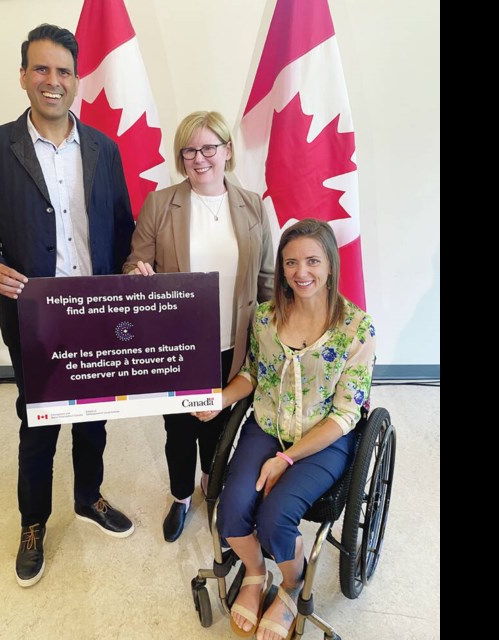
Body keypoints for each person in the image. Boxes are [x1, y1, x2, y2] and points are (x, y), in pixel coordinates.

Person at [0, 24, 137, 588]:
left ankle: (88, 497)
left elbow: (124, 227)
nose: (53, 81)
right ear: (23, 77)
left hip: (97, 311)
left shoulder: (106, 151)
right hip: (34, 316)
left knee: (93, 419)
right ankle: (33, 522)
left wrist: (135, 270)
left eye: (63, 71)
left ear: (77, 79)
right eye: (41, 69)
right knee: (38, 424)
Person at [192, 219, 375, 639]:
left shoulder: (356, 329)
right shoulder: (265, 318)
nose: (301, 272)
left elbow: (347, 414)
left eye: (312, 260)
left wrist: (286, 459)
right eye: (291, 262)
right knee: (232, 512)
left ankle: (292, 585)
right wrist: (220, 398)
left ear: (330, 265)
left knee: (276, 520)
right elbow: (255, 375)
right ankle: (257, 575)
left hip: (323, 438)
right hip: (267, 425)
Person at [123, 111, 274, 543]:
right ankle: (180, 495)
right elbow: (134, 262)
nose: (199, 158)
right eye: (190, 150)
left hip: (233, 338)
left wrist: (267, 337)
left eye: (209, 147)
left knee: (219, 421)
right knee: (178, 426)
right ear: (181, 156)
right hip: (178, 342)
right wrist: (139, 273)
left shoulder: (252, 205)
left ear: (227, 151)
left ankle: (212, 481)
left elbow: (265, 277)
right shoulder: (161, 203)